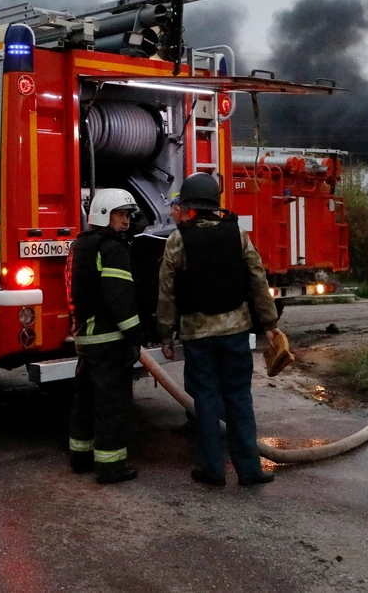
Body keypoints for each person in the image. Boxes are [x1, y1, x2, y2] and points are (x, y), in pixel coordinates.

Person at [157, 173, 280, 487]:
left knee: (206, 402)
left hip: (198, 336)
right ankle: (249, 469)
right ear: (215, 203)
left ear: (189, 205)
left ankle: (211, 470)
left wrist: (165, 333)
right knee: (239, 398)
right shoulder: (237, 235)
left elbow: (167, 292)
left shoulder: (177, 239)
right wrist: (269, 324)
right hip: (235, 331)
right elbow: (257, 279)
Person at [66, 188, 143, 484]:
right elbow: (119, 297)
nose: (125, 221)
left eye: (127, 215)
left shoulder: (80, 245)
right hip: (109, 340)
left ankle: (80, 457)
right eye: (120, 214)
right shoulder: (113, 248)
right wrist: (135, 335)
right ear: (102, 215)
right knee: (112, 405)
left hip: (85, 339)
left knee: (83, 401)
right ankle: (111, 467)